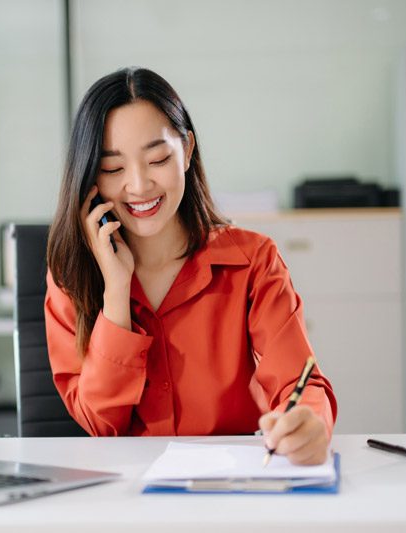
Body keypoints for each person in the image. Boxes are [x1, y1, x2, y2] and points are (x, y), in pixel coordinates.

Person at [45, 67, 337, 465]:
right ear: (89, 177)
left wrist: (306, 422)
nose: (139, 185)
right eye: (113, 169)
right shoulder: (71, 274)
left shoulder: (253, 262)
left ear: (187, 151)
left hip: (231, 490)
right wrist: (116, 291)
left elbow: (298, 384)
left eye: (158, 158)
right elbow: (101, 425)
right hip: (125, 498)